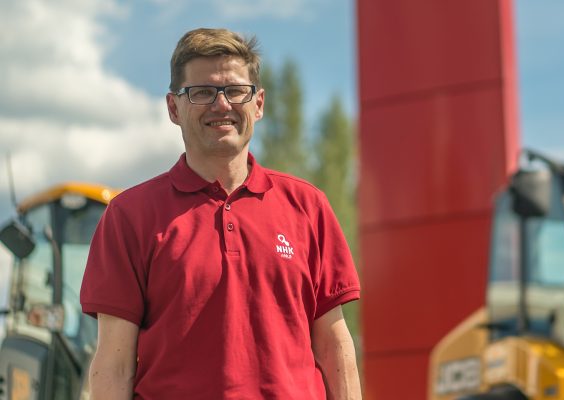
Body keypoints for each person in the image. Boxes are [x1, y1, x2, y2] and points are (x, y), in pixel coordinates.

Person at [80, 28, 361, 400]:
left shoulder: (308, 207)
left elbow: (334, 345)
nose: (222, 105)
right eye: (202, 92)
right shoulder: (129, 217)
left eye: (236, 91)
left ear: (258, 104)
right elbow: (114, 366)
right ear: (173, 108)